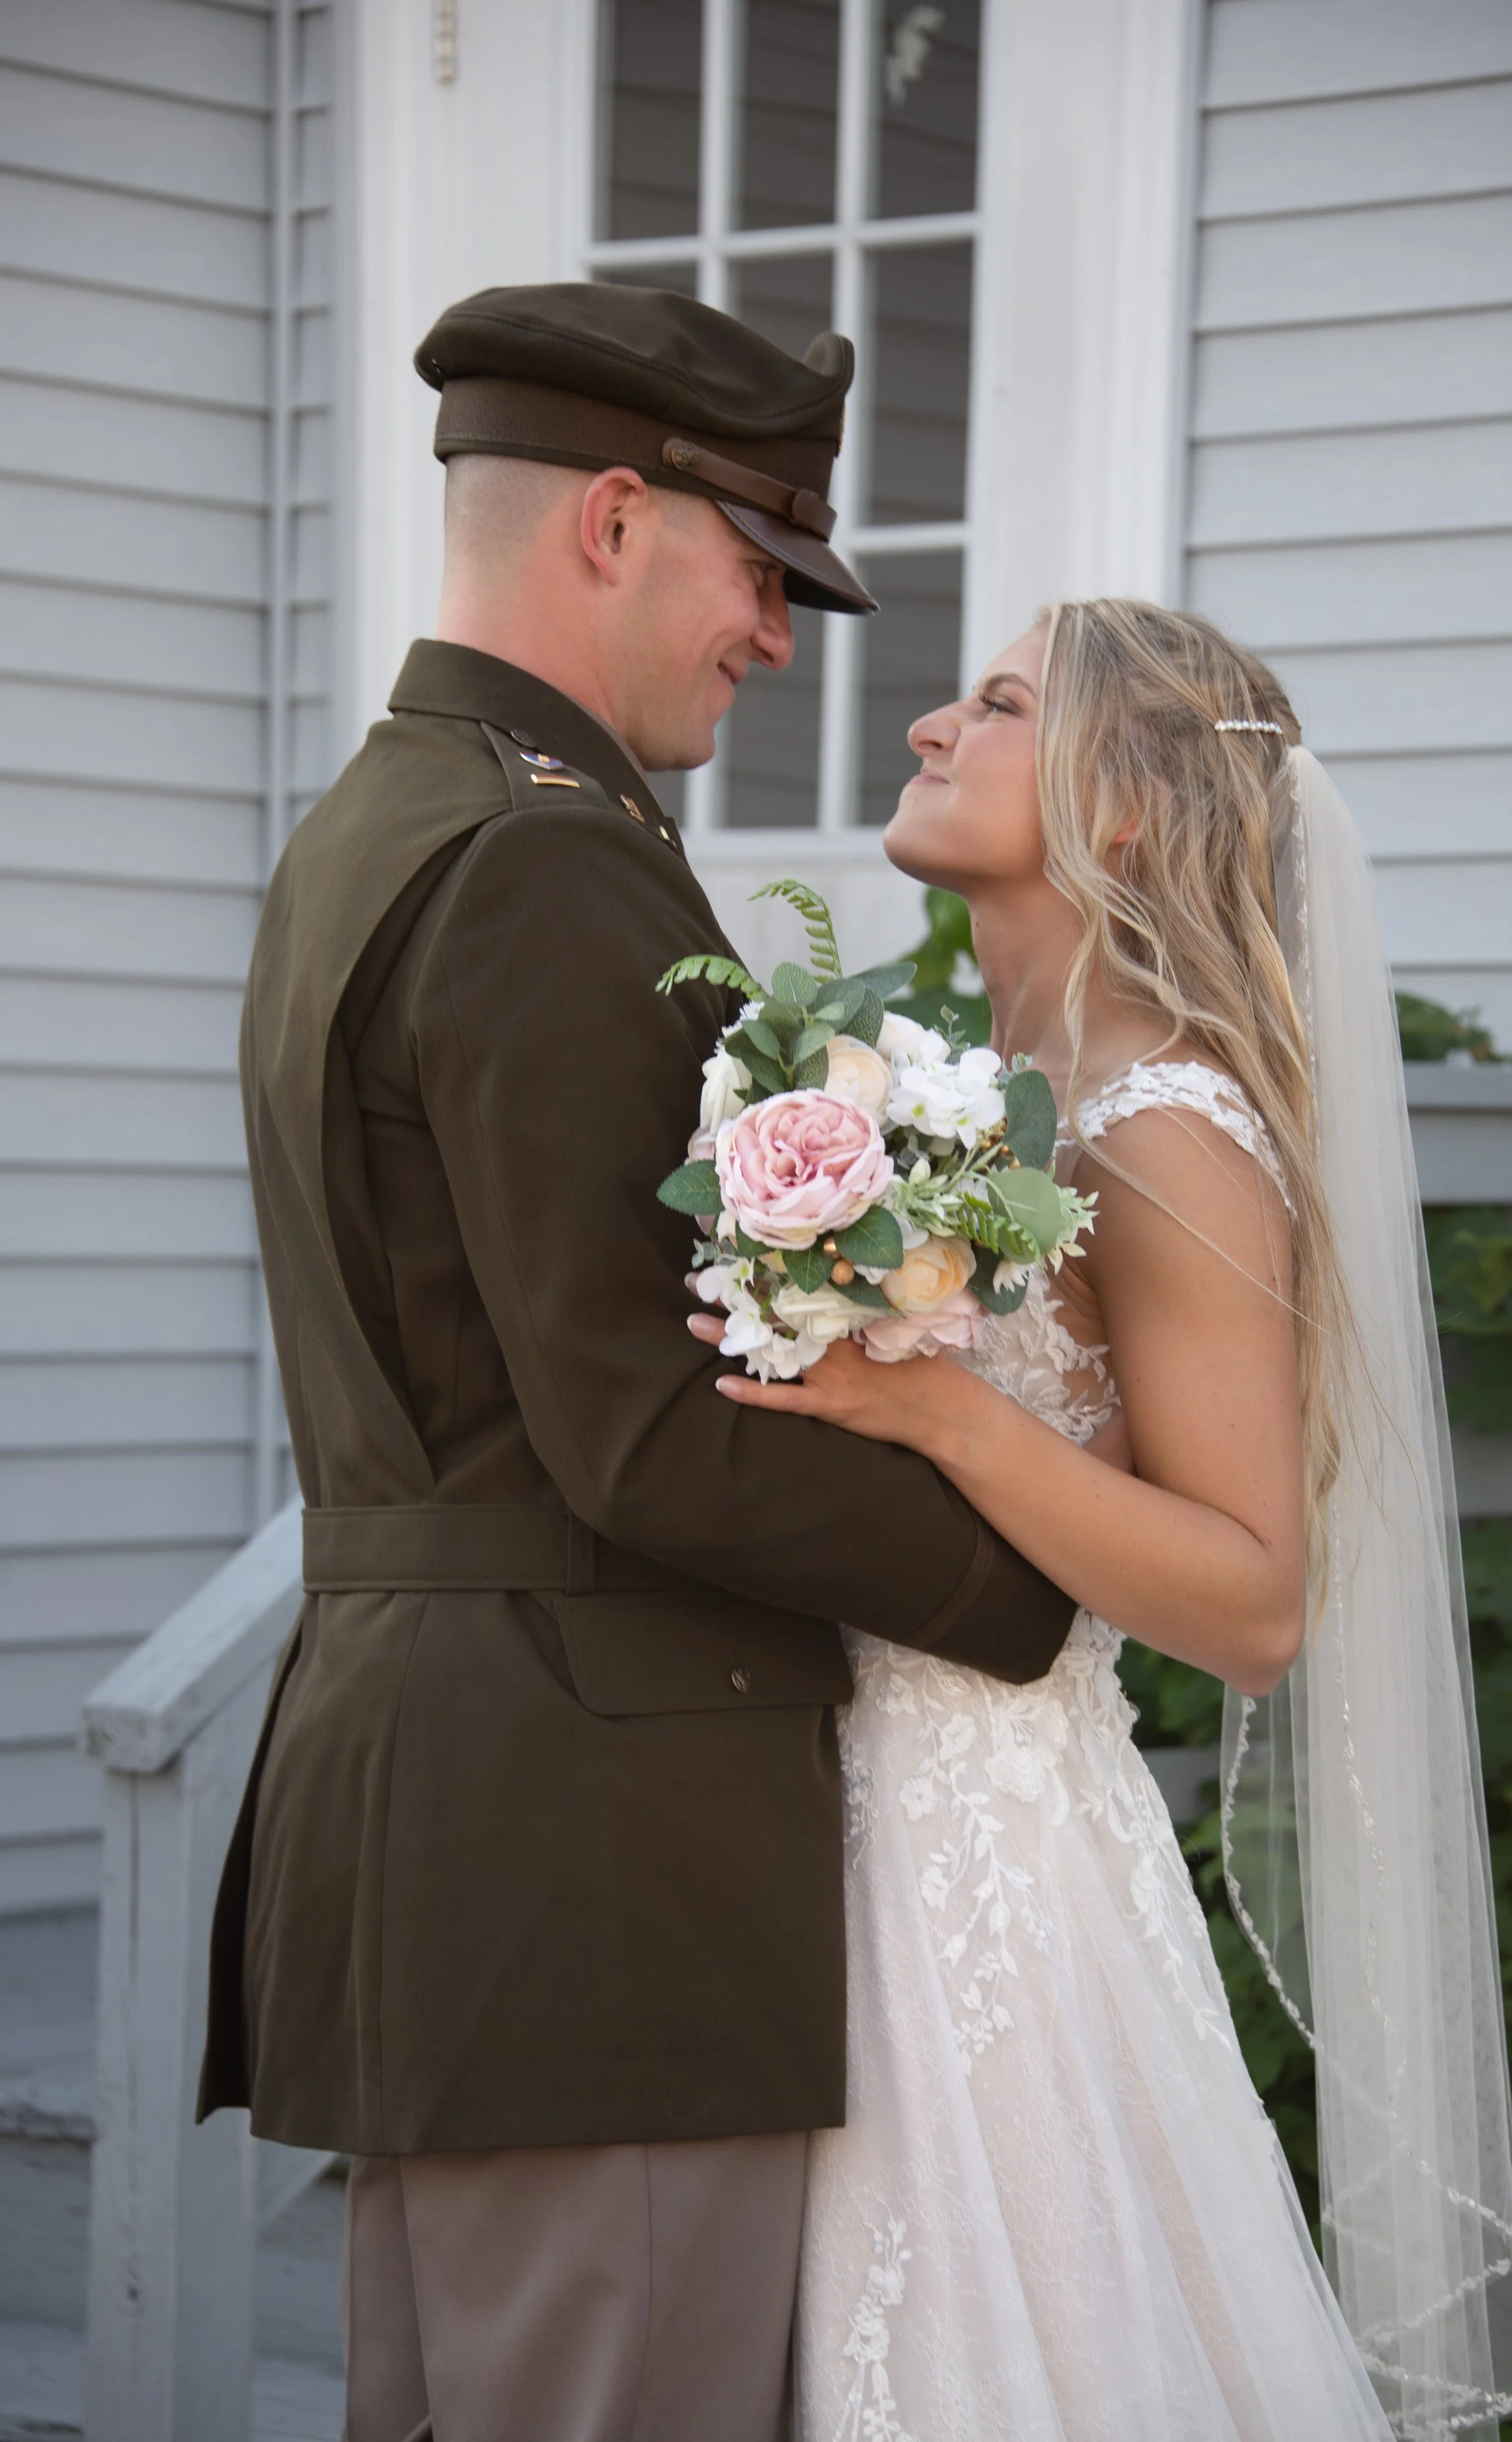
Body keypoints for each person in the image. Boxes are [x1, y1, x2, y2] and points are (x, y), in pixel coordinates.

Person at [195, 284, 1078, 2442]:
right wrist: (1032, 1599)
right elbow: (644, 1436)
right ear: (612, 520)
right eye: (760, 571)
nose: (778, 637)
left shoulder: (382, 823)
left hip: (464, 1797)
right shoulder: (544, 864)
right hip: (592, 1840)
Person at [696, 601, 1512, 2440]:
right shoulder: (954, 1100)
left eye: (998, 703)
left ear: (1129, 804)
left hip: (981, 1867)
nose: (928, 727)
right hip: (808, 1822)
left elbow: (1251, 1602)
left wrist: (938, 1410)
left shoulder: (1165, 1130)